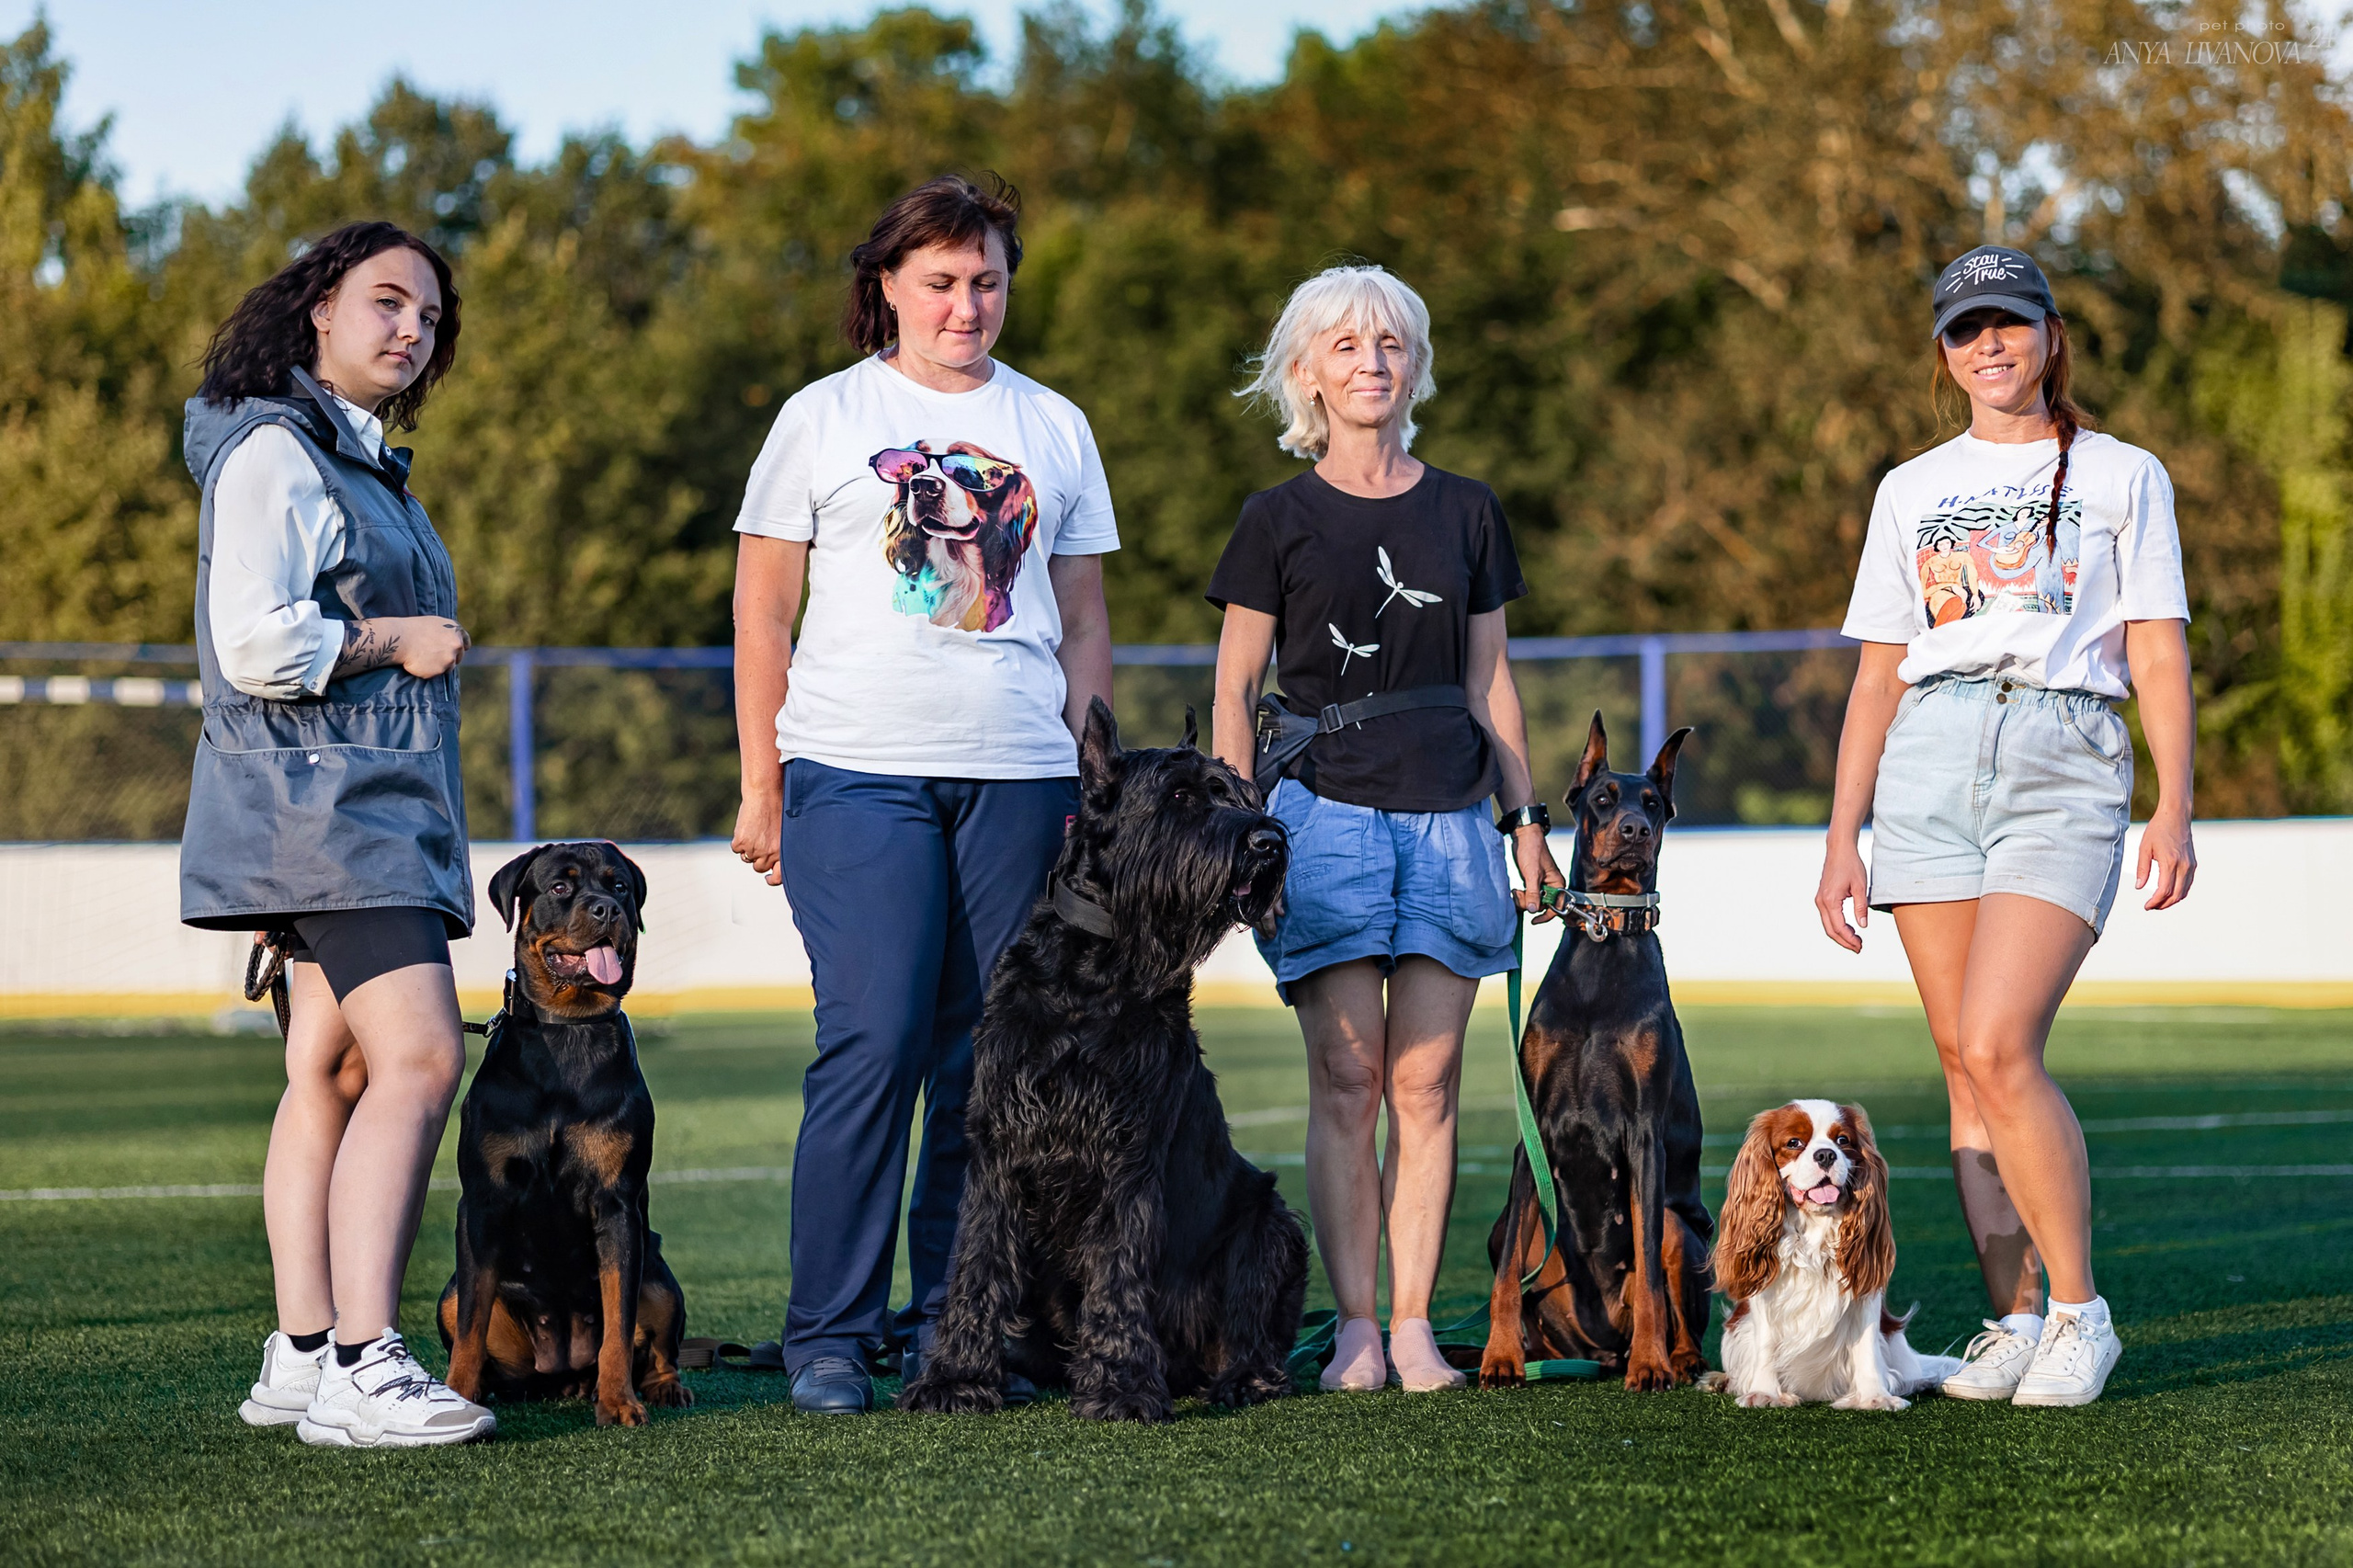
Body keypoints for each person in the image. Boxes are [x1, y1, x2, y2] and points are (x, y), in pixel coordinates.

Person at [730, 174, 1119, 1414]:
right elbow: (761, 607)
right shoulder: (823, 416)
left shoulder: (1054, 423)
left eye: (988, 279)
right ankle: (829, 1336)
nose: (968, 303)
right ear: (888, 286)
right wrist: (762, 779)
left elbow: (1088, 618)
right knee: (875, 1041)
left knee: (989, 1059)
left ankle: (959, 1323)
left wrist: (1089, 773)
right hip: (855, 769)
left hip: (1021, 777)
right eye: (942, 280)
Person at [1816, 244, 2197, 1408]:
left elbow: (2155, 644)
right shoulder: (1908, 489)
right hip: (1927, 758)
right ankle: (2015, 1319)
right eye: (1966, 328)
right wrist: (1843, 834)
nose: (1990, 345)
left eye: (2010, 323)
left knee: (1997, 1042)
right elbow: (1880, 673)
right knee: (1960, 1072)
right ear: (1942, 352)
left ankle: (2080, 1312)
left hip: (2062, 750)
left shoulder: (2125, 472)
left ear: (2049, 334)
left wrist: (2174, 800)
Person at [1208, 265, 1562, 1393]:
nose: (1373, 362)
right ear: (1305, 372)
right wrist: (1234, 834)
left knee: (1430, 1083)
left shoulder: (1466, 508)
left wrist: (1525, 820)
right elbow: (1232, 692)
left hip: (1454, 820)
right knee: (1346, 1080)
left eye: (1392, 344)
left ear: (1413, 366)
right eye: (1348, 345)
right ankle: (1355, 1325)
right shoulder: (1275, 517)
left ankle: (1413, 1326)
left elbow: (1491, 680)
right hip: (1322, 816)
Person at [182, 221, 494, 1446]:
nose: (411, 328)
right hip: (332, 811)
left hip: (325, 807)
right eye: (386, 301)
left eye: (428, 314)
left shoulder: (347, 455)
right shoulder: (279, 449)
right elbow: (256, 641)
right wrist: (394, 638)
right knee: (418, 1059)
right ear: (318, 308)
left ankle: (303, 1354)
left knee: (336, 1066)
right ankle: (368, 1360)